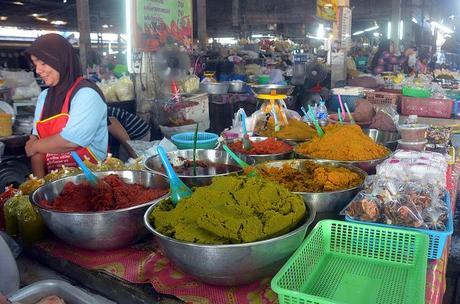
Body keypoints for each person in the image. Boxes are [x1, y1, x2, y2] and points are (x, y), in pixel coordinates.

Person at [25, 34, 108, 178]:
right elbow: (36, 145)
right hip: (54, 182)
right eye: (35, 64)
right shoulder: (44, 97)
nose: (37, 70)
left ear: (61, 60)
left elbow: (70, 141)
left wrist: (34, 146)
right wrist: (40, 185)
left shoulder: (86, 93)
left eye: (43, 63)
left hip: (92, 180)